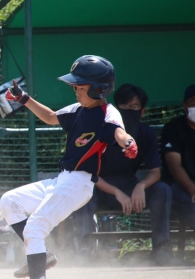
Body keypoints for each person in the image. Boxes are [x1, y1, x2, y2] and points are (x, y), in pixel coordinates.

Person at [0, 55, 137, 279]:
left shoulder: (108, 113)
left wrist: (128, 143)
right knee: (10, 201)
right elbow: (51, 117)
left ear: (99, 89)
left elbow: (119, 132)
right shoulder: (78, 110)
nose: (75, 89)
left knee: (35, 227)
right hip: (63, 180)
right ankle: (42, 255)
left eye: (80, 86)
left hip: (79, 183)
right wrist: (24, 98)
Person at [73, 84, 172, 264]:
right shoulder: (100, 131)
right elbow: (89, 173)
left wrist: (140, 186)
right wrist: (116, 192)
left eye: (134, 107)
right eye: (124, 107)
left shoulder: (146, 133)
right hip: (100, 187)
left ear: (142, 111)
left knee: (162, 190)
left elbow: (155, 172)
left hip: (130, 186)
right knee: (81, 191)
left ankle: (162, 250)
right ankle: (84, 250)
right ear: (115, 110)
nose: (129, 112)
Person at [160, 84, 195, 252]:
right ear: (184, 106)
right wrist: (193, 190)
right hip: (179, 186)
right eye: (194, 103)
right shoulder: (173, 128)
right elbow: (174, 165)